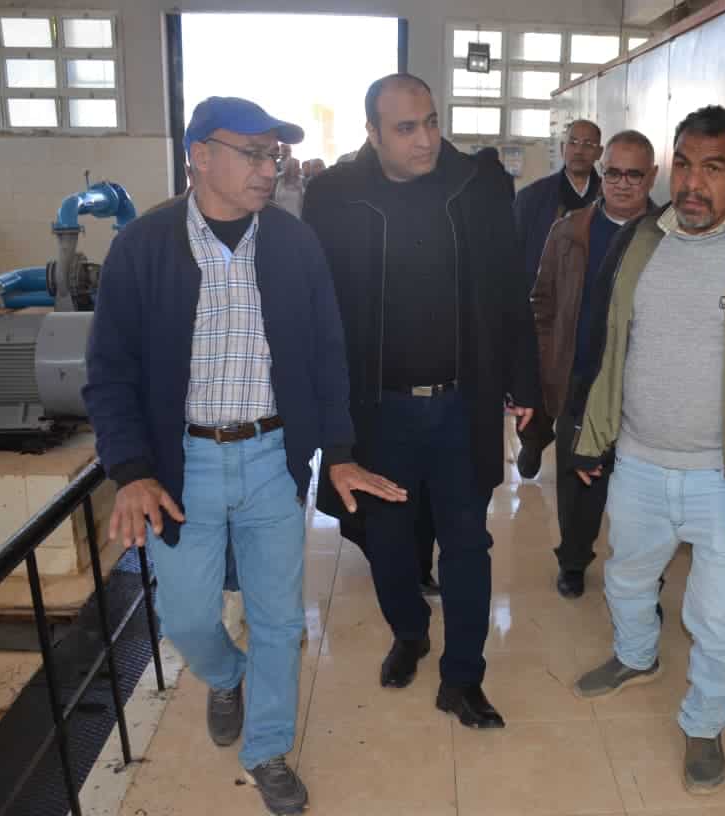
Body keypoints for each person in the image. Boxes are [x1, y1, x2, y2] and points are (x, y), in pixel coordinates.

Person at [83, 96, 406, 816]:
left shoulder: (293, 244)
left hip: (270, 457)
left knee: (280, 620)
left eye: (274, 155)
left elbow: (327, 353)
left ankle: (266, 750)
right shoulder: (143, 246)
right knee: (187, 617)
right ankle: (225, 674)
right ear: (200, 156)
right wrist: (130, 470)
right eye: (253, 154)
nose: (269, 169)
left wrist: (339, 451)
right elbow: (109, 372)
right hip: (182, 465)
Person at [568, 105, 725, 794]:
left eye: (712, 168)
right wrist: (587, 436)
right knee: (626, 577)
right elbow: (601, 345)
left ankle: (706, 722)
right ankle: (636, 656)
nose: (692, 183)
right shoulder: (638, 242)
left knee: (720, 616)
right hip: (639, 461)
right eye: (683, 164)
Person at [303, 74, 538, 729]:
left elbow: (508, 288)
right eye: (405, 128)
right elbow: (320, 312)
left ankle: (463, 677)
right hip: (379, 410)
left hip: (463, 404)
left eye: (431, 122)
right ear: (373, 134)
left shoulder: (477, 186)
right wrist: (330, 419)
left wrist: (525, 383)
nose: (425, 139)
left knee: (467, 542)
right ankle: (409, 632)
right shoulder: (335, 197)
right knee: (388, 542)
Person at [530, 129, 660, 600]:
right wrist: (549, 367)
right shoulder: (569, 232)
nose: (622, 184)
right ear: (602, 172)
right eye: (614, 173)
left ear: (652, 176)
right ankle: (573, 560)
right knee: (577, 485)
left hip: (645, 388)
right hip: (580, 381)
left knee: (645, 494)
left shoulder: (671, 237)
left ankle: (645, 577)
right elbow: (542, 304)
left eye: (634, 175)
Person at [512, 119, 604, 478]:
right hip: (545, 311)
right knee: (536, 384)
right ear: (563, 148)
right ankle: (533, 441)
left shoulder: (613, 198)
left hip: (592, 312)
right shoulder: (532, 199)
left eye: (588, 144)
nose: (580, 150)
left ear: (599, 151)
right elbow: (513, 260)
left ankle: (584, 452)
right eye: (573, 142)